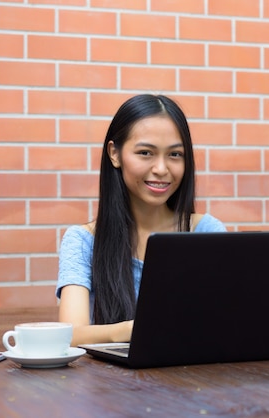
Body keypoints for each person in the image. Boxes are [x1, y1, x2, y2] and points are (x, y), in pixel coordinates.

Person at [56, 94, 227, 346]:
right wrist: (131, 331)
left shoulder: (206, 231)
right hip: (108, 383)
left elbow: (229, 319)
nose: (161, 168)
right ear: (114, 154)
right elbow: (68, 335)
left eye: (175, 155)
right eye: (146, 152)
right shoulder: (83, 241)